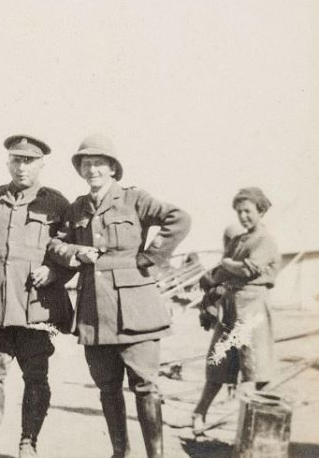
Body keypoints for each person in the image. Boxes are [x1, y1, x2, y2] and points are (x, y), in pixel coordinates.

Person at [48, 133, 190, 458]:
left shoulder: (133, 198)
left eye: (99, 163)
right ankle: (119, 453)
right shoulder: (77, 208)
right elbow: (55, 243)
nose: (92, 170)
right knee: (108, 387)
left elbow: (179, 218)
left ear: (113, 168)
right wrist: (75, 252)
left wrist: (149, 257)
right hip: (94, 312)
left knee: (145, 386)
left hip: (135, 310)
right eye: (86, 164)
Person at [0, 135, 73, 458]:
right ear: (8, 162)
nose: (22, 167)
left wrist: (55, 273)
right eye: (17, 160)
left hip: (36, 306)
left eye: (29, 161)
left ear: (42, 165)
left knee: (36, 376)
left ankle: (28, 443)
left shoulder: (57, 204)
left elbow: (70, 250)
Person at [191, 187, 280, 436]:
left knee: (256, 368)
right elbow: (221, 273)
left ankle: (259, 427)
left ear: (261, 211)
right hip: (230, 306)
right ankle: (199, 413)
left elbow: (248, 270)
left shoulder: (265, 240)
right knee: (218, 363)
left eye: (248, 211)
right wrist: (215, 276)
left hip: (252, 306)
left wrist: (227, 264)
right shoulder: (237, 240)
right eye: (239, 212)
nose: (243, 216)